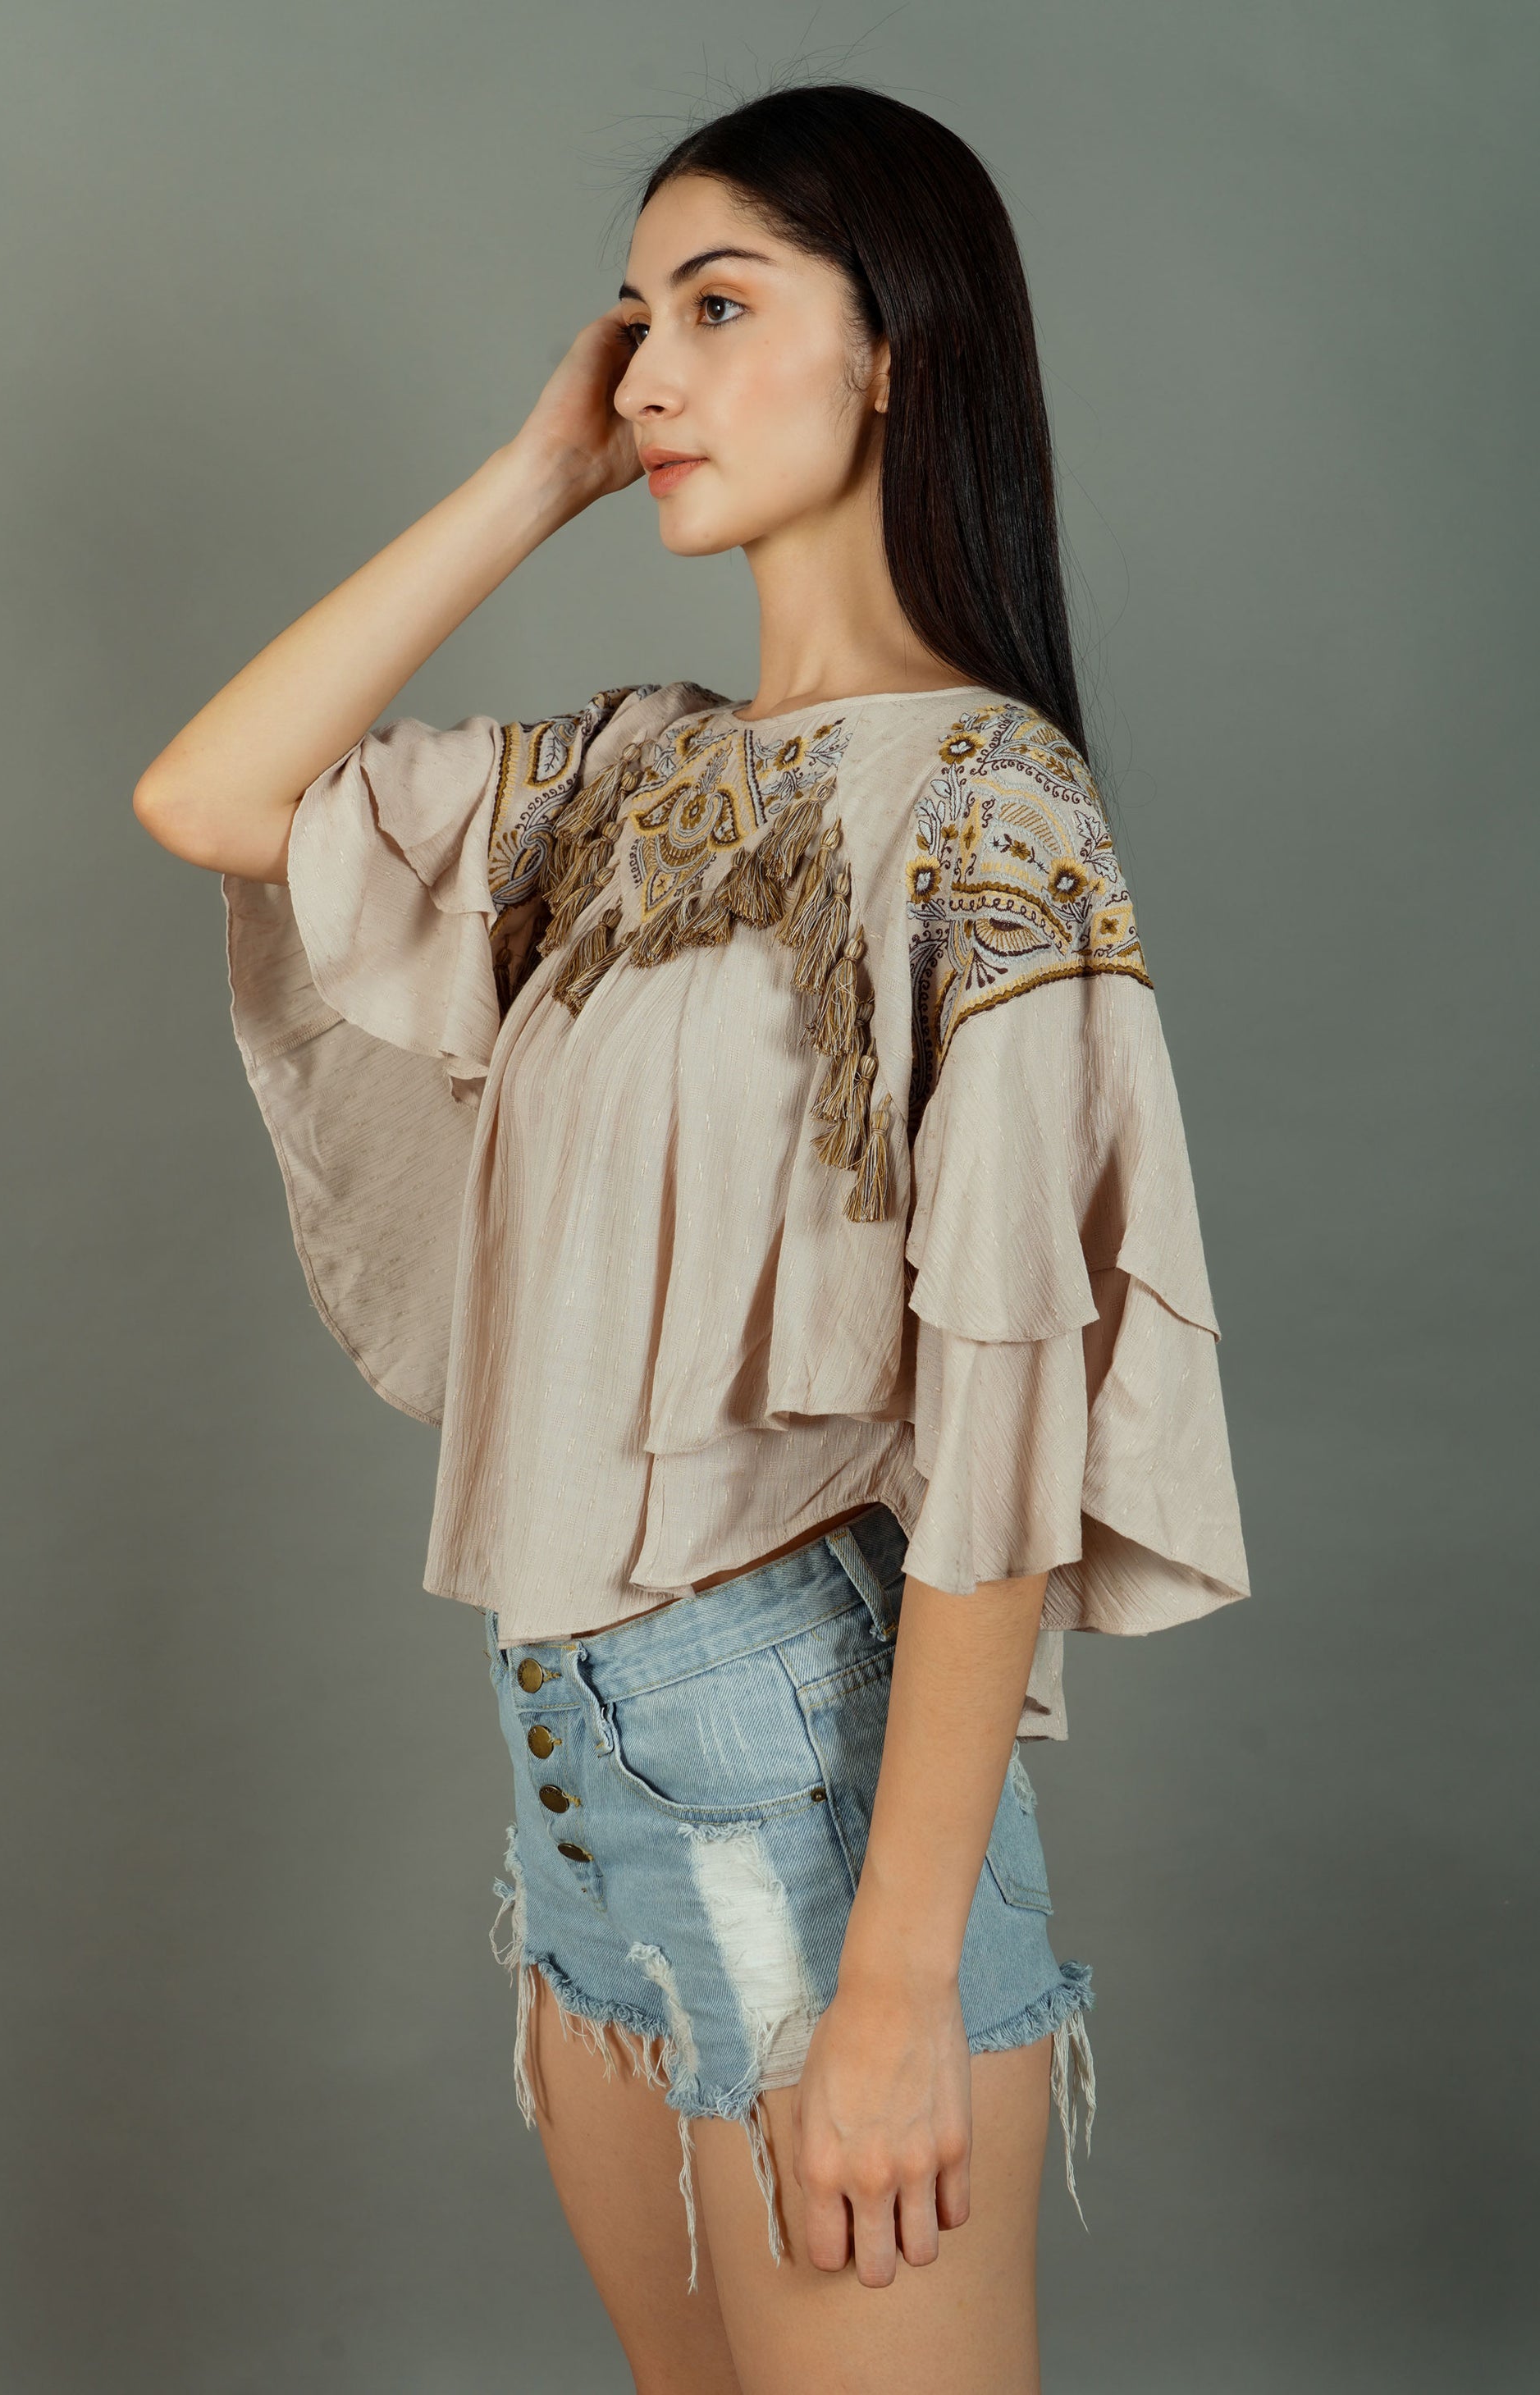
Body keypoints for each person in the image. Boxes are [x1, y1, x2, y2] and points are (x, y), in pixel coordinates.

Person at [133, 80, 1250, 2395]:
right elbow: (212, 798)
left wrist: (898, 1984)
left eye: (718, 307)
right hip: (576, 1798)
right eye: (630, 318)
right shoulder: (622, 779)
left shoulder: (988, 814)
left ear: (896, 353)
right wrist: (540, 474)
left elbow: (1001, 1437)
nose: (645, 371)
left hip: (815, 1811)